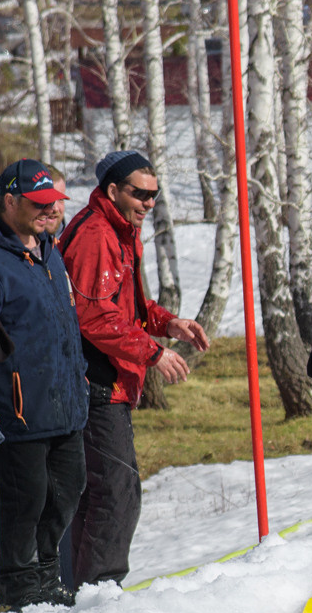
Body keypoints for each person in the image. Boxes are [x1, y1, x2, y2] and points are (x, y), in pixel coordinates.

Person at [58, 150, 211, 588]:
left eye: (154, 195)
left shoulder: (120, 231)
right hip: (95, 379)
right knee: (117, 494)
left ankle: (83, 590)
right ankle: (100, 591)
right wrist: (154, 353)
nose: (148, 203)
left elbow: (126, 305)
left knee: (98, 494)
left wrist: (169, 324)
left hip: (110, 380)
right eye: (139, 193)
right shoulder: (96, 235)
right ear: (112, 191)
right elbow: (93, 314)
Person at [0, 160, 88, 611]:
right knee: (24, 502)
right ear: (9, 201)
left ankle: (46, 574)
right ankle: (17, 585)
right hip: (18, 409)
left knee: (68, 490)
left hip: (66, 403)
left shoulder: (50, 250)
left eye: (53, 203)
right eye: (38, 205)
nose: (49, 212)